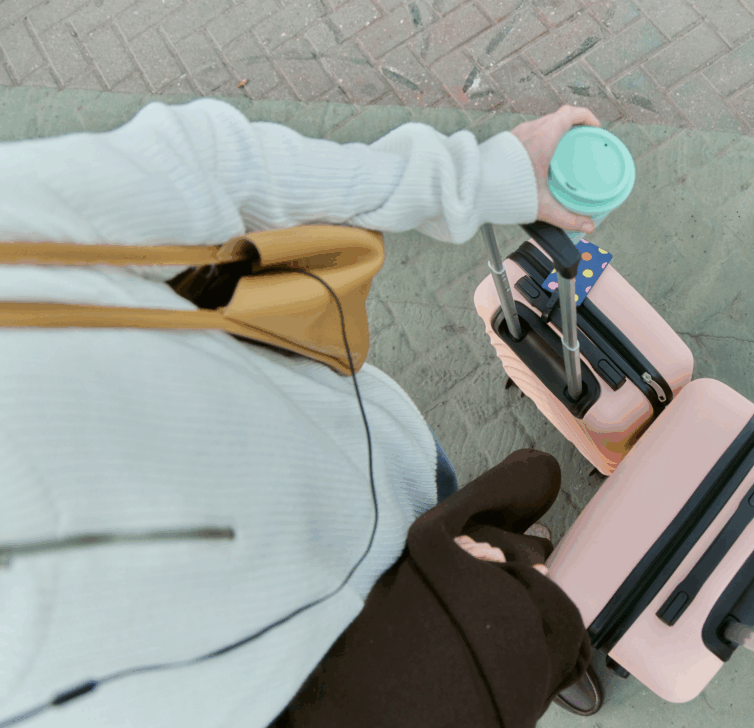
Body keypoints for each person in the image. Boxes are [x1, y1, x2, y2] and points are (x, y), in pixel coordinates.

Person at [0, 99, 602, 727]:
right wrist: (459, 663)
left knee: (468, 520)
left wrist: (482, 176)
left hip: (363, 448)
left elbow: (203, 168)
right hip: (349, 682)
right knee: (519, 620)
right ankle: (546, 633)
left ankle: (534, 602)